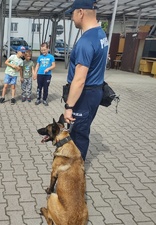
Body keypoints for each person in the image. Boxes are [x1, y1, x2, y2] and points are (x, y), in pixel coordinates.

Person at [64, 0, 108, 161]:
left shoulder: (86, 41)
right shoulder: (101, 34)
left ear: (80, 12)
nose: (72, 18)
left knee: (78, 134)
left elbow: (80, 79)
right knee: (82, 129)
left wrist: (69, 107)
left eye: (73, 14)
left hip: (84, 94)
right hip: (95, 91)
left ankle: (75, 175)